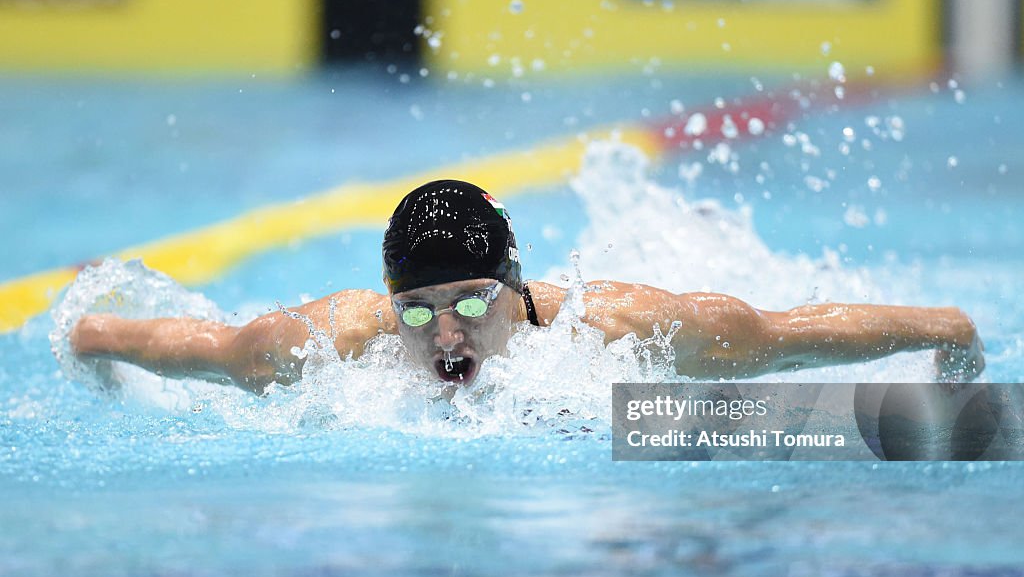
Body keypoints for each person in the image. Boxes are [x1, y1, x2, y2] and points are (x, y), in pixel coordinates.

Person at [68, 179, 985, 393]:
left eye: (471, 302)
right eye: (417, 312)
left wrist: (947, 330)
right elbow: (167, 344)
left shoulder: (629, 332)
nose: (445, 336)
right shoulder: (318, 349)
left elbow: (795, 332)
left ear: (514, 287)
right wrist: (89, 334)